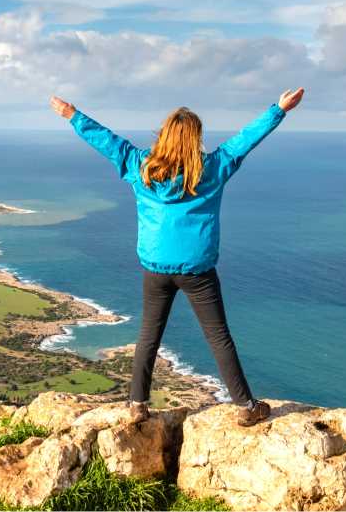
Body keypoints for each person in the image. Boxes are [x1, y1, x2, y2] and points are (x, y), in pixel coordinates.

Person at [49, 88, 305, 427]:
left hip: (155, 267)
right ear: (195, 139)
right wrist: (279, 109)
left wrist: (72, 115)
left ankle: (137, 404)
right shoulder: (213, 168)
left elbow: (107, 141)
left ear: (164, 135)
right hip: (198, 270)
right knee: (217, 336)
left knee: (148, 335)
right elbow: (246, 139)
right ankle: (246, 406)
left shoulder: (139, 166)